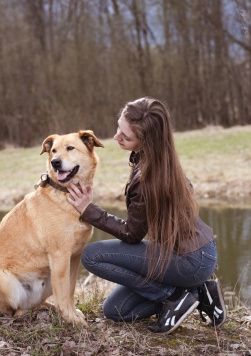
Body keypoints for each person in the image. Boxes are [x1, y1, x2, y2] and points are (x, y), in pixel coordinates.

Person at [67, 97, 226, 335]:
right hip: (200, 253)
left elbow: (132, 234)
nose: (116, 137)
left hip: (188, 260)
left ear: (146, 141)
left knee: (92, 255)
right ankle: (198, 290)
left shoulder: (148, 178)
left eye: (125, 136)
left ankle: (175, 296)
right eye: (119, 128)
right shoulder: (164, 158)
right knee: (116, 310)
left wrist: (89, 210)